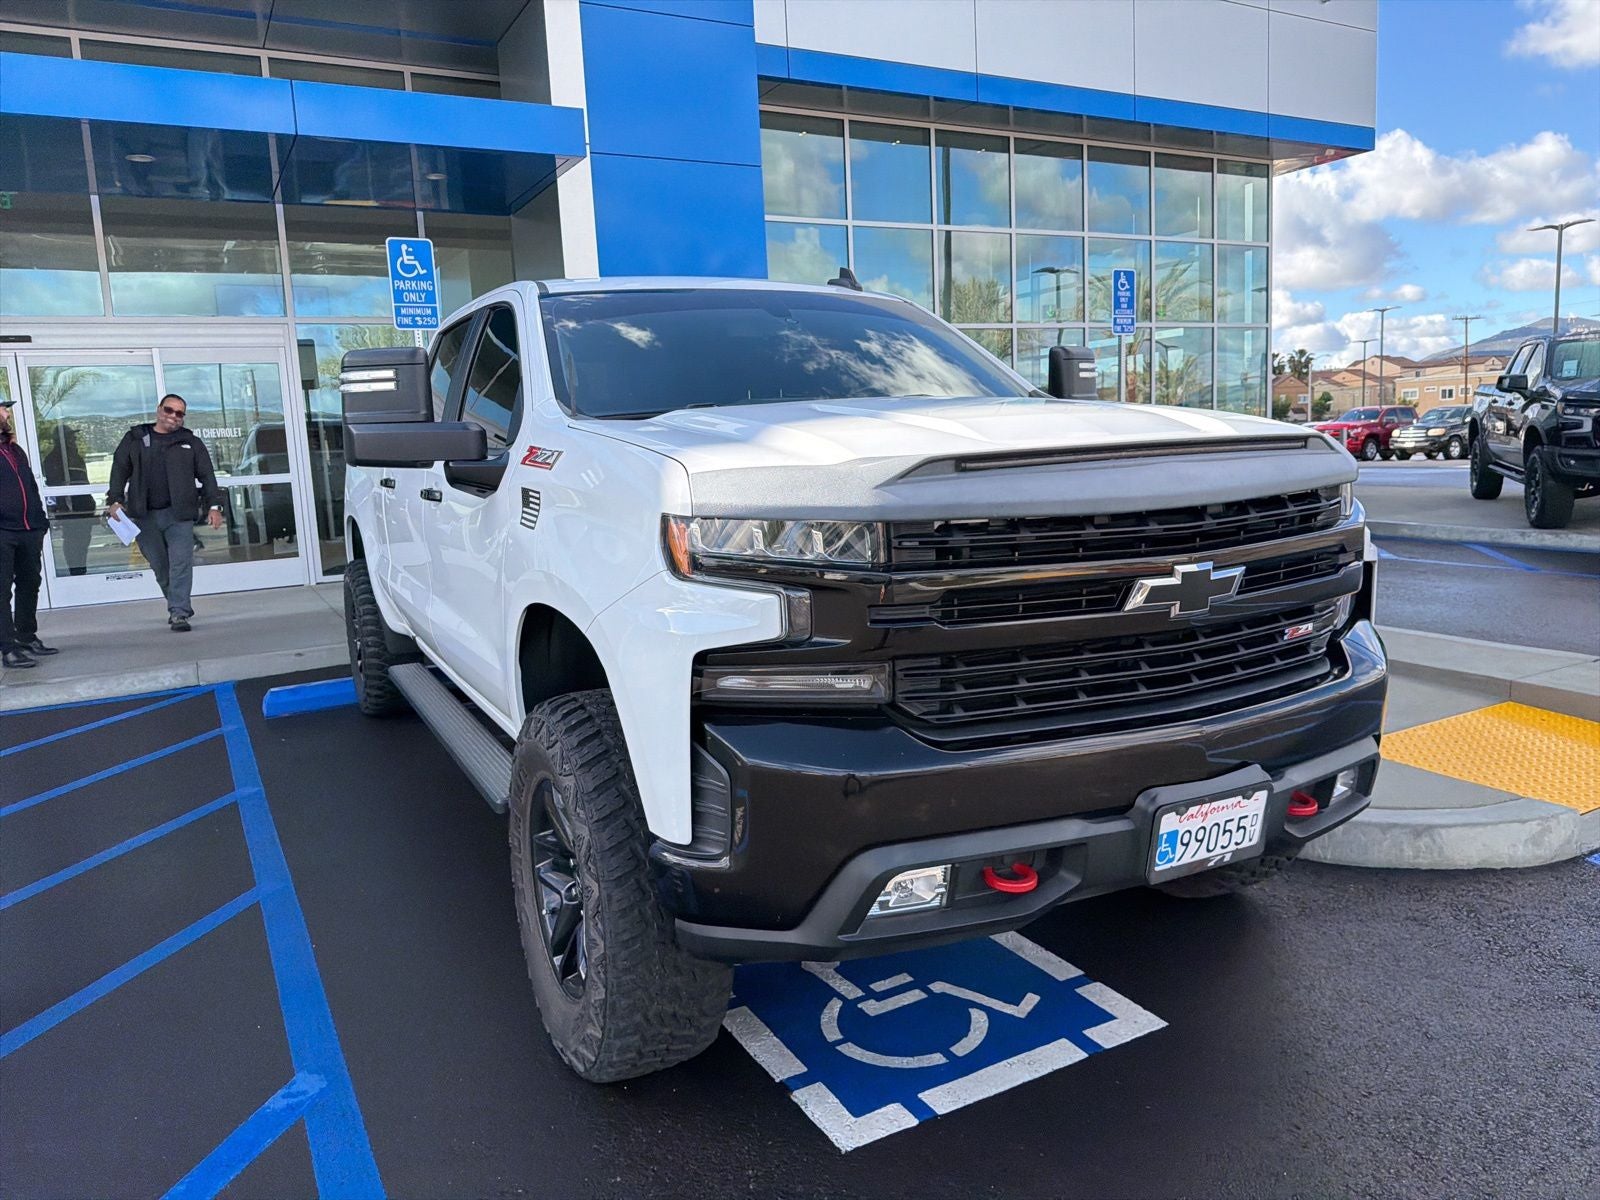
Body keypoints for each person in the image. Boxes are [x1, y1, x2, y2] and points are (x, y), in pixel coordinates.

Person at [105, 393, 225, 633]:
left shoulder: (190, 442)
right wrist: (115, 500)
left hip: (179, 516)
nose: (173, 417)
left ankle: (179, 613)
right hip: (144, 515)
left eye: (179, 413)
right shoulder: (136, 438)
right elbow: (119, 469)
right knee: (161, 566)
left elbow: (207, 476)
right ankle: (176, 603)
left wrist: (214, 506)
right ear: (159, 409)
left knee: (180, 564)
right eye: (169, 410)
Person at [0, 398, 58, 668]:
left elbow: (30, 486)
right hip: (3, 531)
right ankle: (8, 648)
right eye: (2, 409)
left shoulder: (14, 449)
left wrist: (40, 521)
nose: (7, 413)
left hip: (28, 528)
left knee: (29, 583)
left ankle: (26, 636)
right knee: (2, 592)